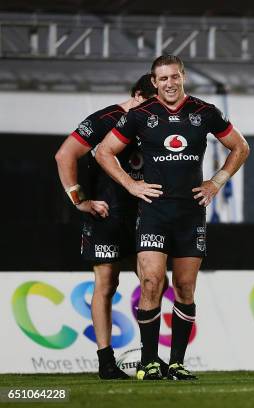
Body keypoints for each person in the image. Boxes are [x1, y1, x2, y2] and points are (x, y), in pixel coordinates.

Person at [96, 55, 249, 380]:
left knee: (185, 287)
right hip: (154, 212)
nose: (169, 83)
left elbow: (241, 147)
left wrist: (216, 182)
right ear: (154, 82)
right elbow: (102, 151)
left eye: (174, 77)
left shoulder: (204, 112)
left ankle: (177, 362)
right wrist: (131, 184)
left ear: (183, 77)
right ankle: (149, 362)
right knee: (151, 282)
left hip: (191, 214)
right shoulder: (140, 115)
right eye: (162, 78)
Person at [55, 74, 163, 379]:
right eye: (152, 101)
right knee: (107, 284)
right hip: (107, 213)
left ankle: (150, 357)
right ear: (138, 95)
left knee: (154, 281)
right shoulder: (105, 119)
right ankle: (106, 360)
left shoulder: (157, 121)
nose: (158, 109)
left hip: (145, 213)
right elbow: (64, 155)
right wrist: (80, 201)